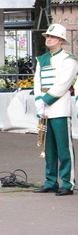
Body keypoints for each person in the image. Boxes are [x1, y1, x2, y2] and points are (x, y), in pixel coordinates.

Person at [33, 24, 78, 196]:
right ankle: (50, 181)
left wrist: (45, 100)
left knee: (64, 148)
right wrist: (38, 101)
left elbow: (63, 84)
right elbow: (37, 82)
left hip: (59, 108)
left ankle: (67, 183)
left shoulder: (69, 59)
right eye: (47, 36)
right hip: (44, 109)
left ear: (60, 40)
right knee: (48, 149)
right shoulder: (42, 59)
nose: (48, 39)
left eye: (51, 37)